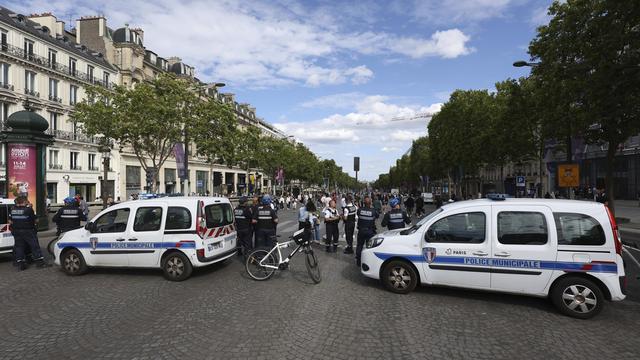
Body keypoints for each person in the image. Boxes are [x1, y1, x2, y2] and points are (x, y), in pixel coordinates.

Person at [9, 196, 49, 270]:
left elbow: (10, 221)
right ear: (24, 202)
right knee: (34, 246)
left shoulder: (12, 210)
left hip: (17, 231)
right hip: (28, 230)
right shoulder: (28, 210)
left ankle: (21, 263)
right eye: (27, 201)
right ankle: (40, 262)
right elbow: (36, 220)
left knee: (19, 247)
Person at [356, 196, 378, 266]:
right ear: (370, 203)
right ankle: (368, 262)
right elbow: (377, 216)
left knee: (359, 246)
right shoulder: (373, 211)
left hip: (361, 231)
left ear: (363, 203)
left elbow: (358, 214)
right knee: (369, 247)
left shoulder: (359, 210)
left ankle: (358, 261)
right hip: (370, 231)